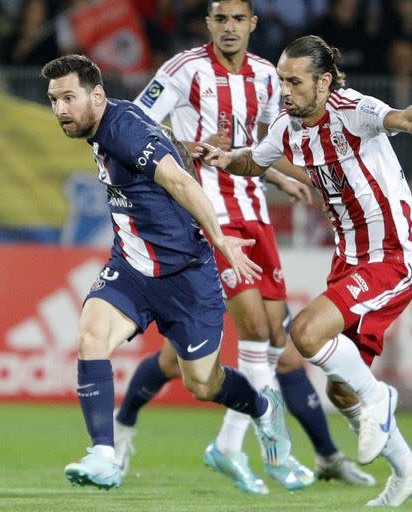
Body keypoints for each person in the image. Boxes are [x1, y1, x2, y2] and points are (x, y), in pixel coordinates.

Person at [196, 34, 412, 506]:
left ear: (324, 81)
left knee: (304, 333)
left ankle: (381, 400)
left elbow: (402, 117)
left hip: (393, 254)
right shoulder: (286, 127)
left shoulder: (353, 109)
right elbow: (254, 161)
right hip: (348, 261)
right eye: (281, 80)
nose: (284, 90)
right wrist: (225, 158)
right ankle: (409, 471)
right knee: (344, 392)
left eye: (295, 81)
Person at [114, 0, 375, 495]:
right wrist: (186, 146)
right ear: (208, 23)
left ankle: (130, 424)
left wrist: (285, 175)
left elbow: (269, 142)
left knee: (221, 352)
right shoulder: (183, 70)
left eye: (239, 19)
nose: (230, 28)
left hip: (256, 216)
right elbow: (132, 128)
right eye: (221, 19)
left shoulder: (266, 74)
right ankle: (244, 449)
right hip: (206, 220)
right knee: (259, 333)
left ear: (253, 23)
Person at [42, 54, 291, 490]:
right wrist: (188, 148)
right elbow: (166, 146)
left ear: (96, 96)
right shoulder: (112, 119)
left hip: (187, 275)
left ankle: (264, 410)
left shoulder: (122, 129)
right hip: (132, 268)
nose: (60, 109)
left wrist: (220, 239)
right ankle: (103, 453)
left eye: (68, 98)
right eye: (54, 100)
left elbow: (180, 183)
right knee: (90, 338)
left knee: (203, 383)